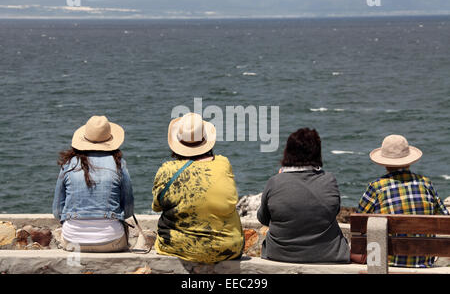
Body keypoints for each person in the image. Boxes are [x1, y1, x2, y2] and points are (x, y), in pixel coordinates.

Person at [151, 112, 244, 263]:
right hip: (227, 249)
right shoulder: (223, 163)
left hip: (178, 247)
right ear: (205, 139)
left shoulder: (167, 170)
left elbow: (157, 206)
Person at [257, 128, 350, 263]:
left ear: (288, 152)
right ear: (317, 153)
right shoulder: (329, 180)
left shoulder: (275, 182)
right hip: (329, 255)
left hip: (279, 255)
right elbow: (333, 212)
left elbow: (263, 218)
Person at [357, 134, 449, 268]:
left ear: (385, 163)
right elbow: (444, 219)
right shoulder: (426, 183)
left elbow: (359, 224)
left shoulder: (376, 187)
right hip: (423, 262)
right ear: (409, 161)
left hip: (386, 262)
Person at [52, 115, 134, 252]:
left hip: (73, 240)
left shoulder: (68, 165)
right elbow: (128, 210)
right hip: (111, 240)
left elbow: (57, 211)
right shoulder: (119, 165)